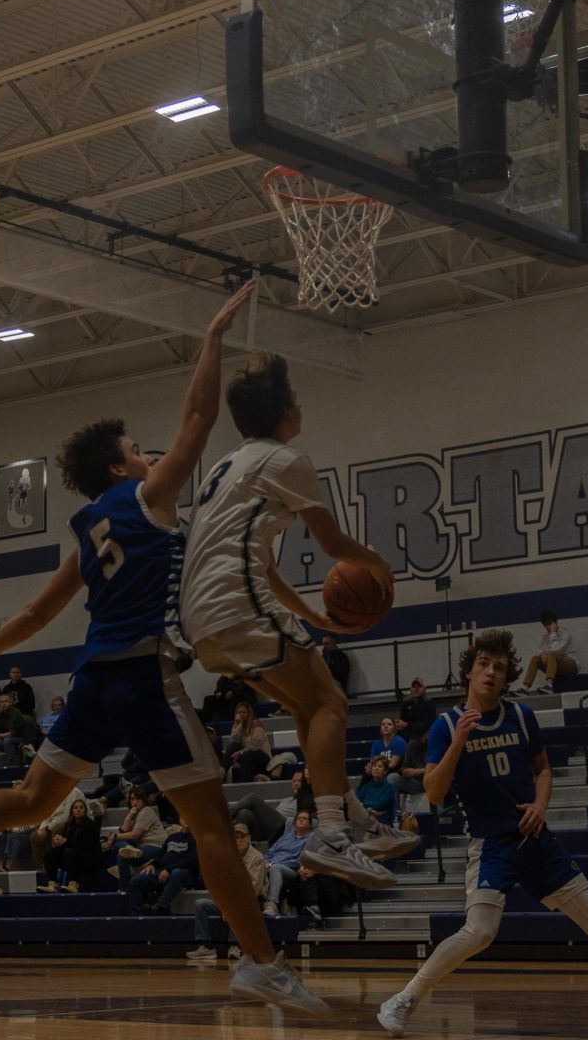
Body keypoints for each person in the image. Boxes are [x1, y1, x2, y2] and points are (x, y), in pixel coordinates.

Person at [0, 284, 330, 1017]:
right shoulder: (147, 501)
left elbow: (39, 608)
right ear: (123, 468)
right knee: (212, 824)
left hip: (90, 680)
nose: (152, 455)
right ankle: (261, 963)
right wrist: (213, 333)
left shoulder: (89, 527)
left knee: (29, 801)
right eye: (137, 450)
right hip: (145, 677)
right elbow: (200, 415)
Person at [376, 629, 588, 1038]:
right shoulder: (446, 726)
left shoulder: (520, 716)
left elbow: (543, 770)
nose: (491, 673)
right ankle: (404, 998)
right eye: (483, 664)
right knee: (479, 932)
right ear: (468, 671)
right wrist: (460, 741)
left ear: (507, 675)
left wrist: (539, 804)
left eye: (499, 667)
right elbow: (434, 791)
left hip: (535, 840)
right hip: (492, 844)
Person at [180, 352, 416, 885]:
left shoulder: (228, 466)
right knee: (332, 700)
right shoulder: (286, 461)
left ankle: (357, 821)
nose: (301, 405)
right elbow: (333, 543)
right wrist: (377, 563)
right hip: (233, 604)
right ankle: (331, 835)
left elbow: (260, 561)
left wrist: (312, 615)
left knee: (312, 707)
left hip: (202, 618)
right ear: (285, 411)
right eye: (296, 398)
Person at [186, 821, 267, 961]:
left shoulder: (257, 857)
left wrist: (229, 904)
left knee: (237, 906)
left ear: (248, 838)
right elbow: (220, 884)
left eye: (241, 837)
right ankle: (206, 946)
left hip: (252, 902)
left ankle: (235, 946)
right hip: (229, 901)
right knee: (201, 904)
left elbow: (253, 889)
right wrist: (224, 902)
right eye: (234, 837)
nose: (238, 840)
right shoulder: (227, 856)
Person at [128, 818, 198, 914]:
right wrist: (152, 865)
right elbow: (160, 854)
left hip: (186, 873)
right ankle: (137, 914)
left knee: (177, 873)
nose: (185, 819)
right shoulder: (172, 837)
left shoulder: (197, 838)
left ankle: (159, 907)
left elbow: (192, 861)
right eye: (183, 816)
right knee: (136, 880)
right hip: (163, 871)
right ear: (180, 820)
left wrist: (168, 870)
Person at [231, 766, 316, 842]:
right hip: (270, 829)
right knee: (244, 813)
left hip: (285, 828)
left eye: (299, 781)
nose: (296, 783)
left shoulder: (306, 798)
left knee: (253, 798)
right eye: (294, 781)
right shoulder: (285, 800)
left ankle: (224, 818)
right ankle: (240, 848)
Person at [39, 798, 103, 893]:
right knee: (51, 852)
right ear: (72, 811)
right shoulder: (69, 825)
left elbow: (85, 845)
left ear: (85, 810)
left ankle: (73, 885)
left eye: (81, 807)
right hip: (72, 856)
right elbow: (67, 843)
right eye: (75, 808)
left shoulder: (90, 825)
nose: (78, 809)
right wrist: (59, 842)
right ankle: (52, 885)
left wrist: (66, 841)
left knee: (70, 852)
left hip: (89, 858)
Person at [262, 809, 314, 916]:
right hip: (272, 865)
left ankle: (272, 904)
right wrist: (266, 862)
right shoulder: (285, 837)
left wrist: (272, 864)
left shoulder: (310, 840)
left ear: (310, 823)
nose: (301, 820)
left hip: (291, 870)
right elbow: (271, 852)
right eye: (299, 818)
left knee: (276, 868)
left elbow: (299, 861)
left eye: (304, 819)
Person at [513, 611, 578, 695]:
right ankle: (525, 688)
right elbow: (540, 650)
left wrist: (553, 633)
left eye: (549, 624)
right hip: (555, 664)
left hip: (571, 664)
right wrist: (542, 654)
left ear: (556, 622)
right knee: (535, 658)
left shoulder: (564, 633)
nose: (548, 627)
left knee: (553, 654)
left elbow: (556, 650)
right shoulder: (546, 636)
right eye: (545, 625)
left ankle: (549, 686)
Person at [223, 702, 272, 783]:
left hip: (261, 755)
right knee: (233, 745)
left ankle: (247, 782)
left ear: (249, 713)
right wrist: (238, 724)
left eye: (244, 712)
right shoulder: (239, 725)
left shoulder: (256, 723)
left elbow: (257, 745)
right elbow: (234, 740)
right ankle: (223, 770)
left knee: (245, 755)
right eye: (239, 712)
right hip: (247, 755)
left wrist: (240, 752)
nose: (241, 714)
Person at [0, 692, 27, 767]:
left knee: (7, 740)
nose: (4, 704)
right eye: (2, 702)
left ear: (11, 702)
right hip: (5, 740)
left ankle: (12, 767)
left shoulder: (16, 713)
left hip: (20, 740)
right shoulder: (0, 714)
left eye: (6, 701)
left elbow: (13, 733)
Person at [357, 757, 398, 827]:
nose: (376, 768)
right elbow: (356, 802)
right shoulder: (366, 787)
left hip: (383, 826)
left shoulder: (390, 789)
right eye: (374, 766)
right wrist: (369, 810)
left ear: (385, 771)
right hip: (366, 823)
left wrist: (365, 807)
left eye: (380, 766)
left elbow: (378, 805)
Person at [368, 717, 407, 787]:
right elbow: (373, 762)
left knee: (391, 778)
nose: (386, 726)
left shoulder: (399, 742)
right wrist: (370, 769)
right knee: (366, 774)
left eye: (389, 724)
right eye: (383, 724)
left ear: (394, 728)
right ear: (380, 728)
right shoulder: (376, 744)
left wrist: (378, 769)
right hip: (381, 770)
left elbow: (393, 764)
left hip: (396, 772)